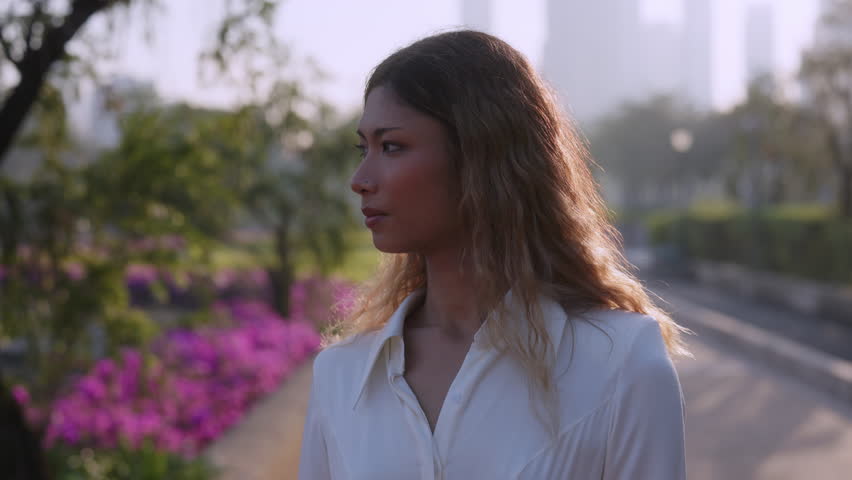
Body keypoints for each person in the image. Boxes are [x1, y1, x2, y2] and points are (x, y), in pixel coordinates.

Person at [298, 30, 690, 480]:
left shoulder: (621, 362)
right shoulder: (341, 375)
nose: (360, 178)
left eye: (391, 146)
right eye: (362, 147)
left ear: (481, 155)